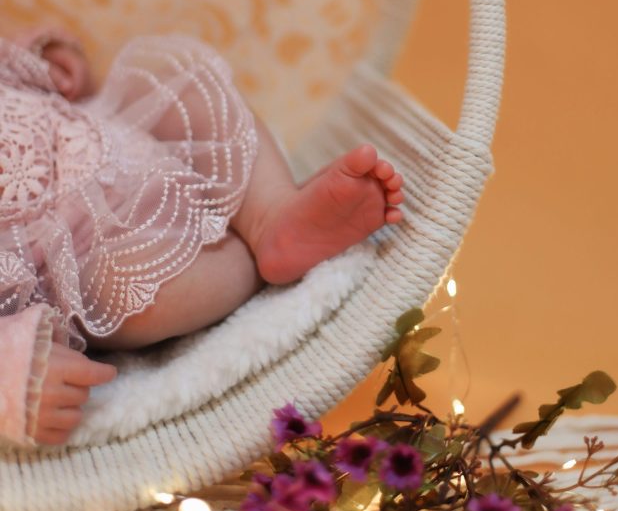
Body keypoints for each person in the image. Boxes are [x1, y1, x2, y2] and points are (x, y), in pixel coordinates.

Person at [0, 28, 403, 448]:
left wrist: (47, 59)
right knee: (138, 298)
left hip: (114, 129)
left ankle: (272, 212)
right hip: (83, 259)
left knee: (181, 85)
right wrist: (12, 378)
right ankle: (258, 255)